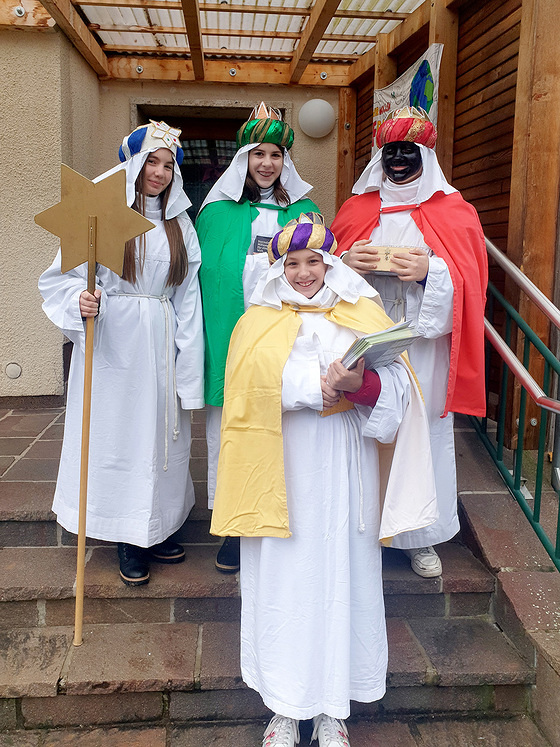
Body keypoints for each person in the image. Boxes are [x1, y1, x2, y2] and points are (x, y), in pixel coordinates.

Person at [210, 214, 438, 746]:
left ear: (331, 264)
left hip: (343, 468)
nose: (304, 272)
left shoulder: (363, 312)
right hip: (279, 471)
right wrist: (315, 387)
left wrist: (362, 386)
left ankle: (334, 711)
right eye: (293, 263)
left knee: (341, 580)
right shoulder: (257, 321)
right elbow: (245, 390)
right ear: (278, 269)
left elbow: (400, 392)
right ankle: (284, 709)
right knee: (284, 585)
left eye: (314, 261)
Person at [39, 120, 204, 586]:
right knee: (121, 436)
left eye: (168, 165)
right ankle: (127, 536)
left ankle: (158, 525)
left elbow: (188, 299)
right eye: (152, 162)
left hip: (160, 339)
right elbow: (60, 278)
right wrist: (80, 301)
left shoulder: (180, 224)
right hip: (114, 344)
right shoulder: (101, 216)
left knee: (162, 437)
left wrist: (188, 362)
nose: (160, 173)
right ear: (133, 164)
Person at [331, 106, 487, 578]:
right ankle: (362, 531)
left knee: (420, 435)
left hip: (423, 344)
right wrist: (345, 260)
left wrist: (428, 272)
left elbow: (472, 282)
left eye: (408, 150)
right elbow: (321, 269)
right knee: (362, 427)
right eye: (391, 151)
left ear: (425, 155)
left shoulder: (454, 211)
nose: (398, 159)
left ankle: (419, 537)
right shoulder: (356, 209)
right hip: (367, 334)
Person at [195, 102, 320, 573]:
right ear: (243, 158)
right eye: (258, 154)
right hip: (232, 336)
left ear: (286, 161)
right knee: (230, 428)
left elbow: (319, 275)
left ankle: (283, 519)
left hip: (284, 339)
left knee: (284, 427)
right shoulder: (216, 213)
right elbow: (203, 281)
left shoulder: (305, 213)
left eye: (275, 155)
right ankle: (232, 525)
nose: (267, 163)